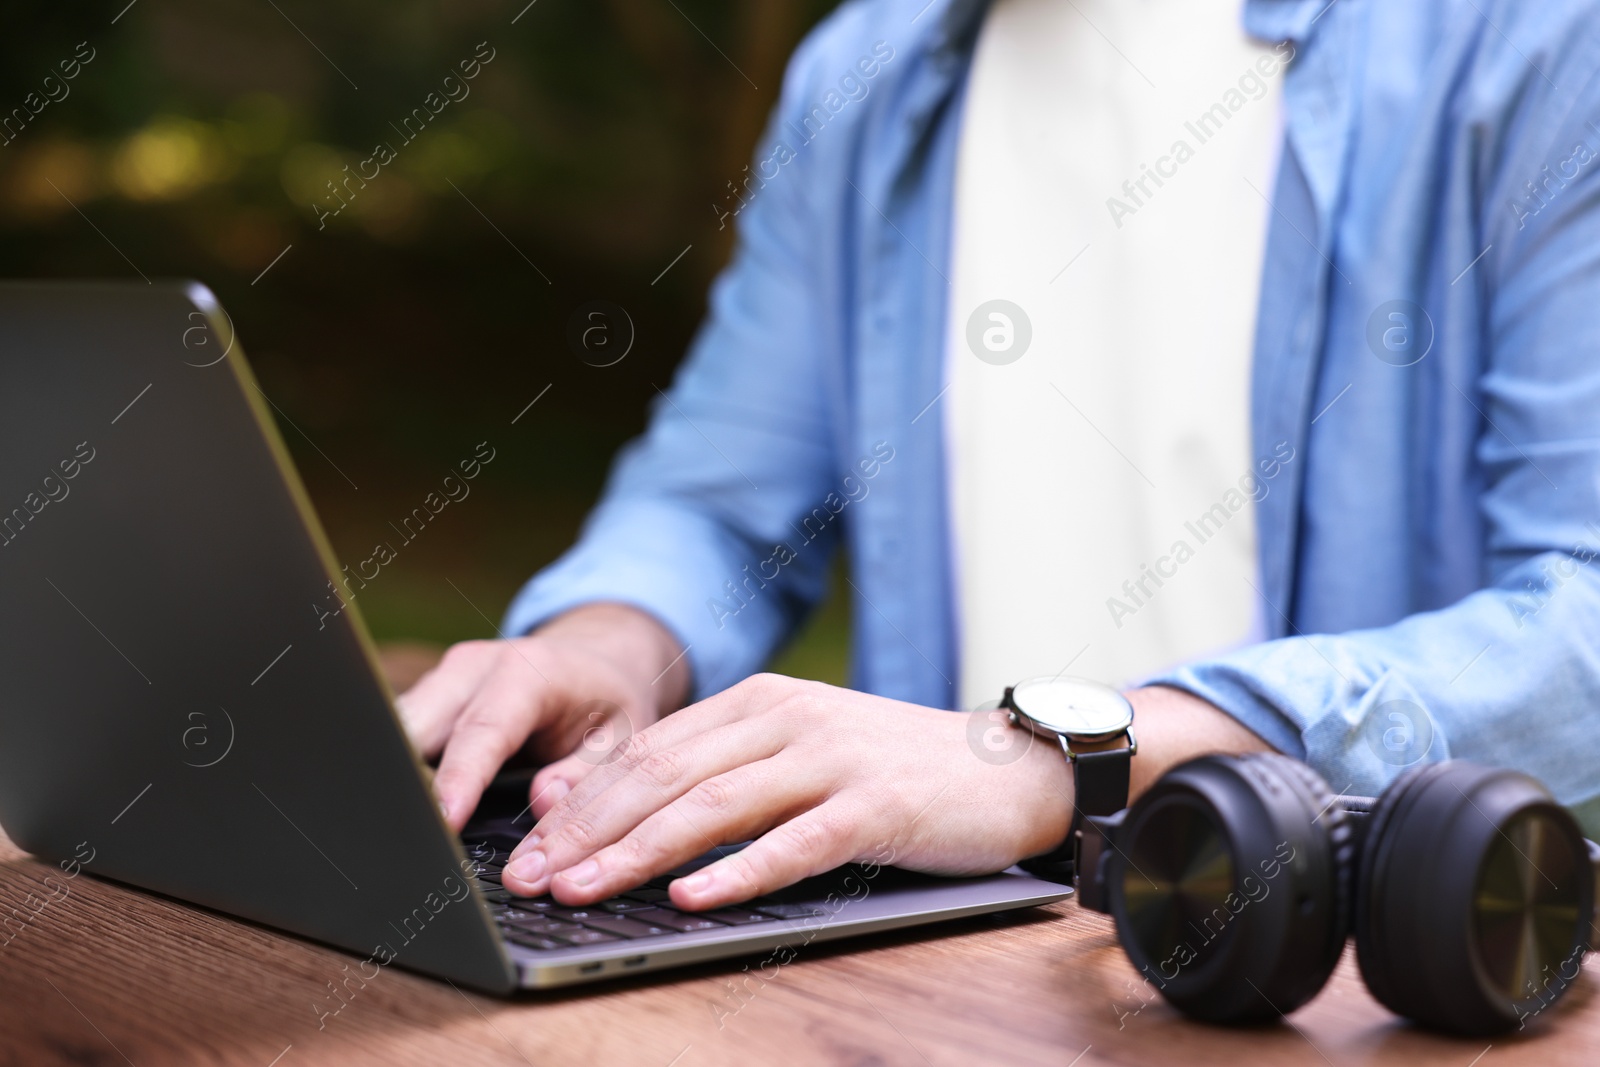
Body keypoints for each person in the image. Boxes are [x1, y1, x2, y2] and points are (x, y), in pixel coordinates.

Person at [398, 0, 1600, 912]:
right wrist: (608, 643)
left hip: (1346, 975)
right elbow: (718, 502)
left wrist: (1053, 760)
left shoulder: (1536, 45)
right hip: (946, 965)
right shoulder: (859, 70)